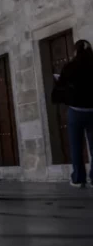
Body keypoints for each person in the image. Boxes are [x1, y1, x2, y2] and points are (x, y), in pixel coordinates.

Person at [52, 39, 93, 187]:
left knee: (76, 146)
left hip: (76, 111)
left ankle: (78, 178)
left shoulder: (70, 66)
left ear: (76, 51)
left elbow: (61, 85)